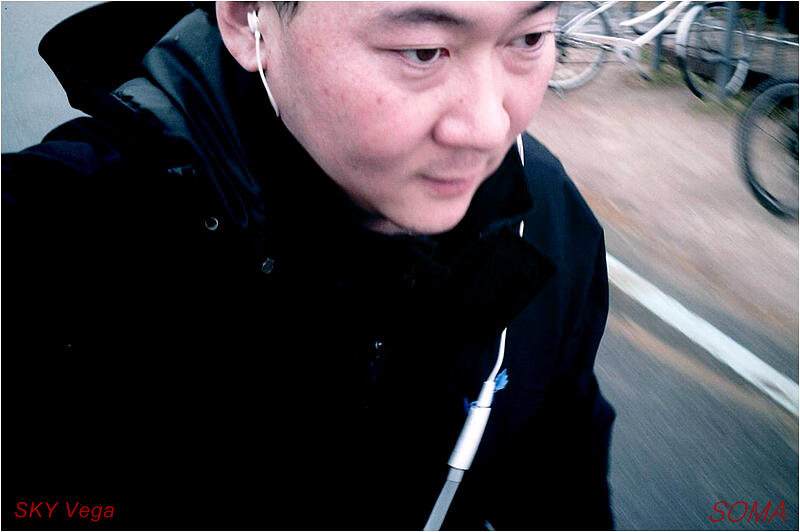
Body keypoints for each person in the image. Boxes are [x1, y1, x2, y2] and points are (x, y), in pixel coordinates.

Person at [3, 2, 615, 529]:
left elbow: (563, 484)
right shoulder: (54, 252)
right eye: (423, 51)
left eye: (529, 39)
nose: (488, 128)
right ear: (248, 19)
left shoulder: (545, 219)